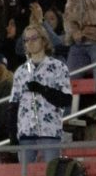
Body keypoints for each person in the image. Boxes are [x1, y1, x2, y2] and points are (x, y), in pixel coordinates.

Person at [7, 23, 71, 164]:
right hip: (25, 130)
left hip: (50, 130)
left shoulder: (58, 67)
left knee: (53, 173)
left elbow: (66, 99)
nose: (29, 42)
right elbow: (13, 104)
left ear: (43, 40)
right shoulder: (20, 71)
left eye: (34, 38)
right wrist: (12, 135)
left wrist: (43, 89)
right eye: (26, 40)